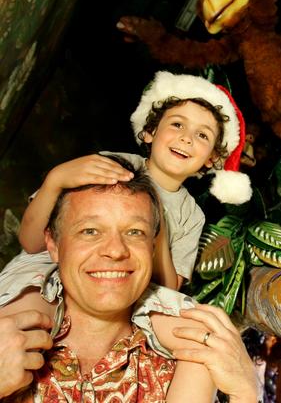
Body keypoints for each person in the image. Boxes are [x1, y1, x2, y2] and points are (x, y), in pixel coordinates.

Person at [0, 70, 252, 359]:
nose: (186, 139)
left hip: (132, 286)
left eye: (202, 135)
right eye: (177, 124)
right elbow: (32, 243)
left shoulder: (191, 215)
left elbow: (168, 288)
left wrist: (157, 228)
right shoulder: (108, 165)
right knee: (26, 315)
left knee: (193, 336)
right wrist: (56, 179)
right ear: (150, 131)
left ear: (211, 158)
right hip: (53, 266)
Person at [0, 167, 259, 401]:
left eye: (135, 232)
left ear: (152, 248)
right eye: (90, 231)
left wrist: (244, 394)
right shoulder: (10, 344)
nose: (115, 250)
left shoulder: (184, 365)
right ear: (53, 245)